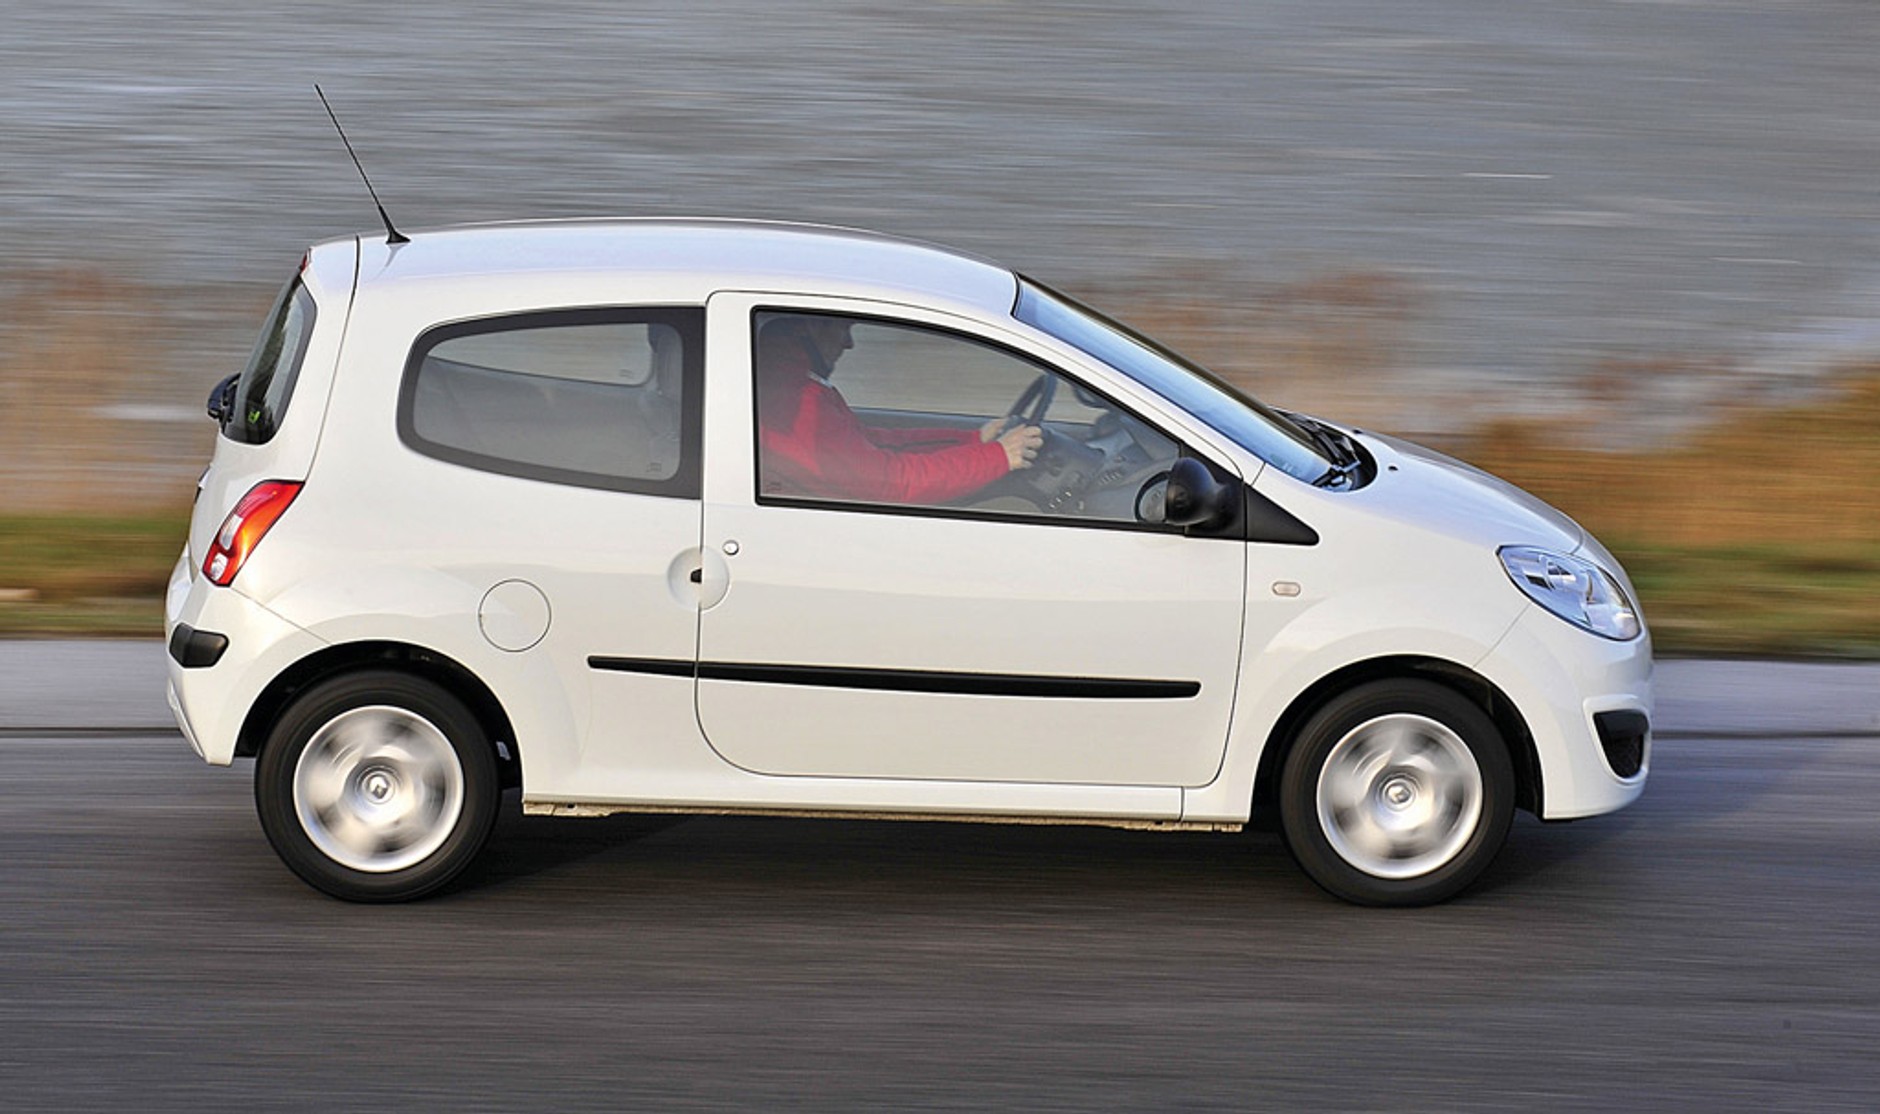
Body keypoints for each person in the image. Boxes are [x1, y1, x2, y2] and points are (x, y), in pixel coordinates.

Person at [755, 314, 1044, 504]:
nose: (849, 343)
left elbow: (873, 442)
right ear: (809, 327)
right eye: (843, 327)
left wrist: (973, 441)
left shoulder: (792, 387)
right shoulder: (792, 404)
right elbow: (891, 483)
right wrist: (996, 457)